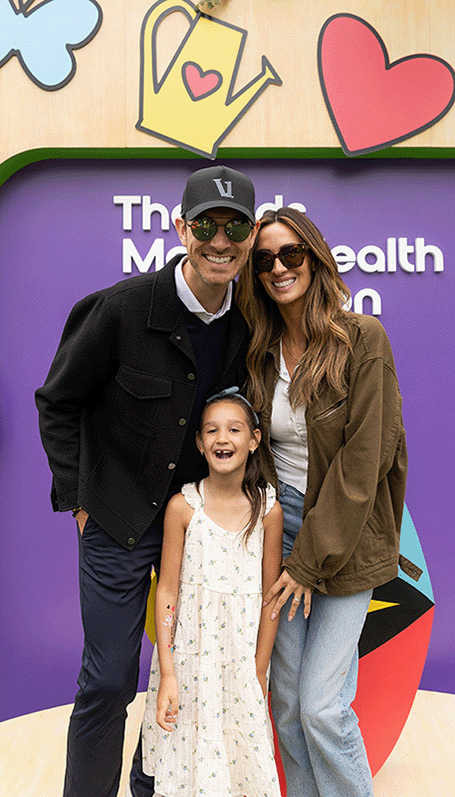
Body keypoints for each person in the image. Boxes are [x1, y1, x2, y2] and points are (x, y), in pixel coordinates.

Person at [35, 164, 258, 797]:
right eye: (206, 225)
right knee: (107, 680)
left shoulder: (249, 324)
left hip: (197, 529)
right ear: (181, 227)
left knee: (185, 671)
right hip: (114, 522)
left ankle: (150, 785)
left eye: (234, 226)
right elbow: (57, 400)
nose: (220, 241)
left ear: (250, 235)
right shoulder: (121, 309)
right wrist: (79, 501)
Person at [237, 207, 411, 797]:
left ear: (314, 256)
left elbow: (365, 465)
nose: (278, 268)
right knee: (285, 705)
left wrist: (309, 560)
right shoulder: (260, 350)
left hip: (345, 539)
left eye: (291, 254)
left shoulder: (362, 340)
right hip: (278, 530)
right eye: (264, 260)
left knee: (321, 708)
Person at [141, 389, 283, 797]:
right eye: (212, 431)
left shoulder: (268, 511)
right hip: (189, 665)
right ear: (200, 443)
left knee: (241, 769)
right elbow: (166, 591)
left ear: (253, 440)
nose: (223, 439)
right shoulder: (184, 508)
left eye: (234, 429)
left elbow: (270, 598)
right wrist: (168, 671)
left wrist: (259, 668)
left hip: (240, 665)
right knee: (189, 767)